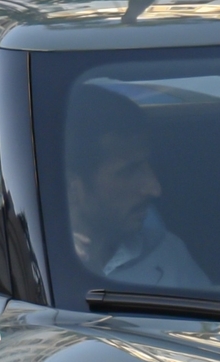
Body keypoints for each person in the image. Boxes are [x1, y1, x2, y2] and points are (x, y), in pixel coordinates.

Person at [64, 88, 206, 286]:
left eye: (149, 167)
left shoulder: (165, 252)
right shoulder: (19, 263)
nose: (154, 188)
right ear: (71, 187)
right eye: (128, 172)